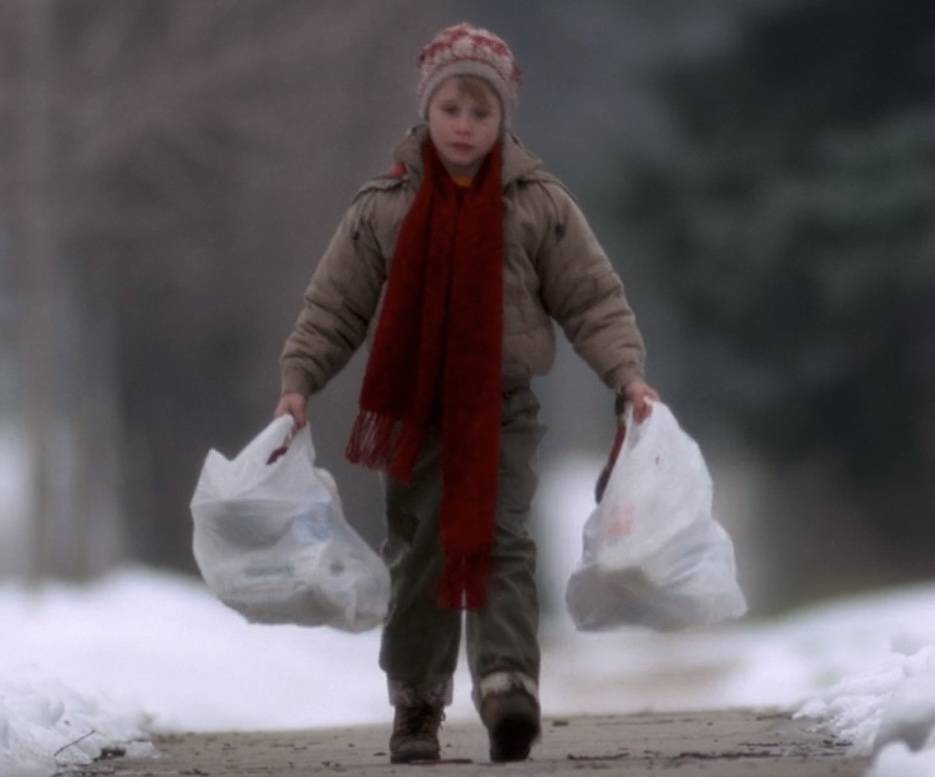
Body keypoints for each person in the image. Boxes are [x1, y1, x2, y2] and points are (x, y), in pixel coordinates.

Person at [274, 21, 659, 764]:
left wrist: (626, 374)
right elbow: (334, 307)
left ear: (501, 120)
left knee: (502, 542)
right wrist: (299, 383)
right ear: (426, 111)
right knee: (418, 552)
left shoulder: (538, 204)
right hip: (415, 411)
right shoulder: (384, 205)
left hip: (502, 407)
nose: (463, 125)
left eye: (480, 112)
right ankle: (416, 703)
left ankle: (506, 682)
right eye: (451, 108)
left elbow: (590, 298)